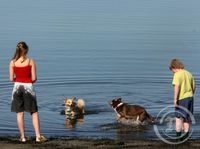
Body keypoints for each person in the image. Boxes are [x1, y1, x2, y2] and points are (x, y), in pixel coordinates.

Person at [9, 41, 46, 142]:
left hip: (17, 88)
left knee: (20, 113)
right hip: (28, 87)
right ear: (26, 50)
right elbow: (34, 78)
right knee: (34, 112)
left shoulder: (12, 62)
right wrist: (27, 79)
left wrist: (19, 78)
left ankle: (23, 137)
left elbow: (11, 79)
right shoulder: (30, 61)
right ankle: (38, 136)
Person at [169, 59, 196, 141]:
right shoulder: (189, 73)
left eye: (172, 70)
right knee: (186, 118)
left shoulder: (177, 74)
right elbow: (194, 87)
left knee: (178, 118)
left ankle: (178, 138)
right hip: (190, 98)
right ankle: (186, 137)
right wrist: (190, 94)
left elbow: (177, 87)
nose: (172, 72)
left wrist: (175, 99)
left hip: (182, 99)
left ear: (174, 67)